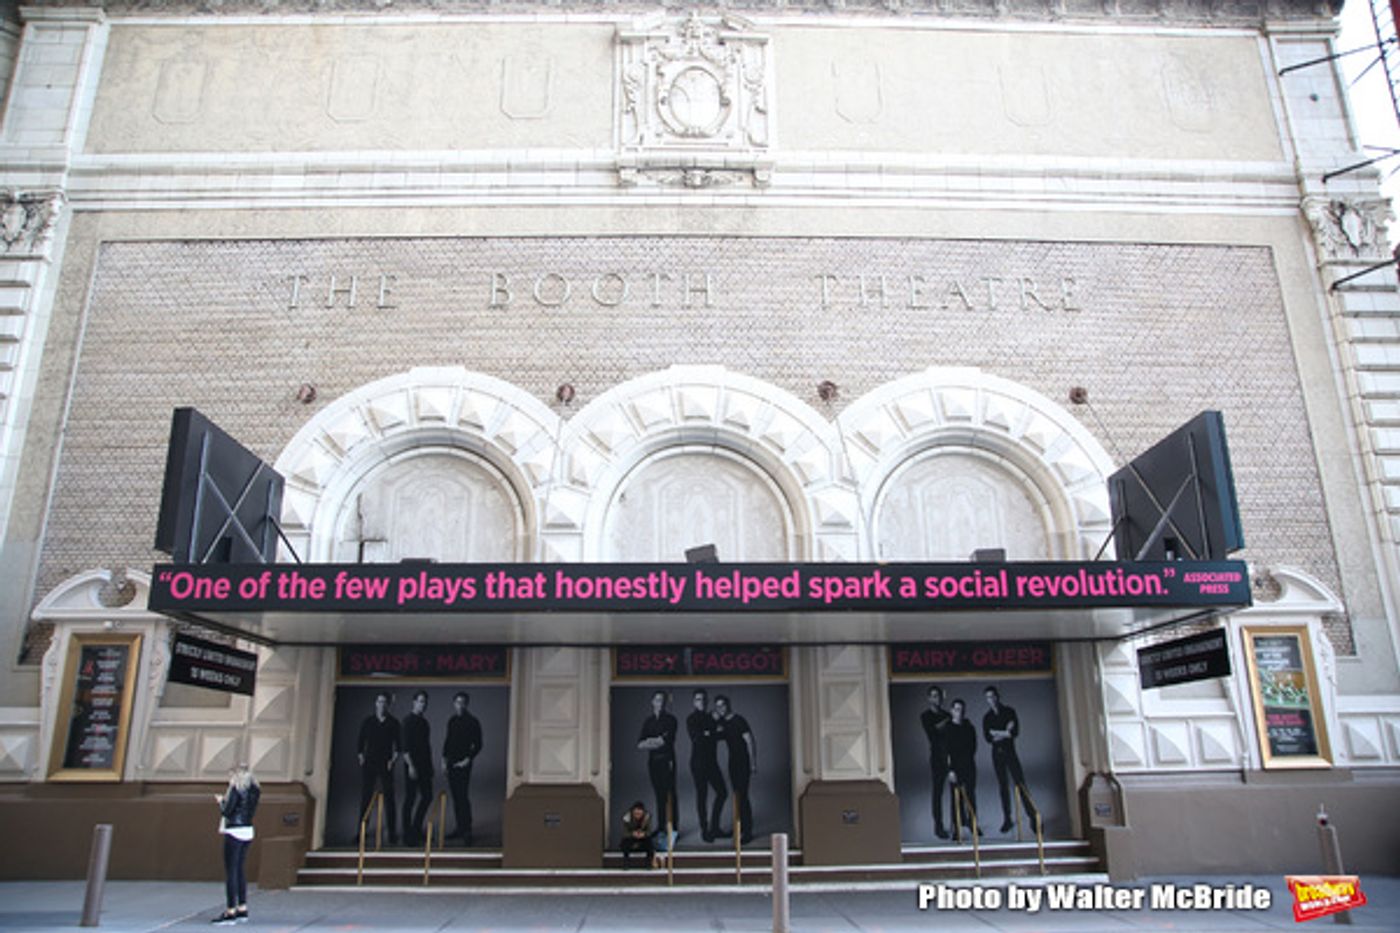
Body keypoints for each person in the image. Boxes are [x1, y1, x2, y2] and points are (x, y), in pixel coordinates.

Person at [983, 685, 1038, 833]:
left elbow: (1014, 733)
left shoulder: (1009, 712)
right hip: (997, 755)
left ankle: (1033, 817)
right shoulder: (987, 717)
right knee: (1003, 787)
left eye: (993, 696)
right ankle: (1007, 819)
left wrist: (998, 733)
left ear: (998, 696)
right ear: (986, 700)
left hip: (1010, 752)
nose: (991, 700)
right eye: (988, 697)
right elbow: (989, 739)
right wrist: (1005, 732)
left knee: (1020, 784)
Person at [212, 763, 260, 925]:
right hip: (248, 830)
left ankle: (230, 910)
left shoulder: (235, 789)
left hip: (234, 831)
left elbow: (227, 811)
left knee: (231, 871)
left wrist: (221, 801)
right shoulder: (255, 791)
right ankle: (242, 908)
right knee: (240, 870)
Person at [357, 691, 401, 844]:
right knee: (366, 797)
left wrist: (393, 760)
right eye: (379, 701)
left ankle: (392, 833)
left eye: (384, 702)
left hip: (386, 764)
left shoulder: (393, 723)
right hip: (370, 763)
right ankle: (360, 832)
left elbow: (399, 746)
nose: (382, 705)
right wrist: (361, 757)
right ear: (376, 703)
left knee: (389, 798)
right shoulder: (368, 721)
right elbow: (360, 742)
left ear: (388, 705)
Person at [713, 694, 757, 844]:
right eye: (717, 706)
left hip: (743, 762)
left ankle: (748, 832)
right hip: (732, 763)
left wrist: (753, 763)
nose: (720, 708)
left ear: (728, 705)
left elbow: (750, 741)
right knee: (737, 796)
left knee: (743, 796)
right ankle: (741, 827)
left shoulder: (739, 720)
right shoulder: (723, 723)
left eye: (723, 705)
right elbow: (715, 736)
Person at [441, 691, 482, 845]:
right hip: (451, 763)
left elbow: (478, 744)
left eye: (463, 702)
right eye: (457, 702)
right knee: (456, 797)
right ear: (454, 704)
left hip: (464, 764)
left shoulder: (473, 721)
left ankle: (467, 830)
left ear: (467, 704)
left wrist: (468, 759)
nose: (460, 705)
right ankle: (459, 827)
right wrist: (443, 761)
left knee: (463, 797)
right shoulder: (451, 721)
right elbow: (447, 741)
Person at [636, 689, 679, 835]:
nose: (660, 703)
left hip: (667, 761)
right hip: (653, 762)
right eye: (658, 700)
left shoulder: (671, 720)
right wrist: (655, 740)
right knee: (659, 795)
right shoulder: (648, 722)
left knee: (670, 794)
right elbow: (640, 744)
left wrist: (651, 741)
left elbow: (664, 742)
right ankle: (661, 827)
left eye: (663, 700)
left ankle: (673, 828)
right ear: (652, 702)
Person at [687, 688, 726, 842]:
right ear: (694, 702)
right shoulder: (691, 719)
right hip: (698, 763)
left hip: (711, 762)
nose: (701, 702)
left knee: (722, 792)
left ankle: (715, 828)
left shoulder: (711, 718)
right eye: (698, 699)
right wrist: (712, 733)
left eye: (703, 699)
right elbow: (697, 738)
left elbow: (724, 733)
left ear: (707, 701)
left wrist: (709, 733)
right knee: (702, 795)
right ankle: (705, 829)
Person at [400, 690, 434, 846]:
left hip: (425, 765)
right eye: (420, 701)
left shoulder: (425, 722)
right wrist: (411, 766)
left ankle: (416, 828)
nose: (423, 704)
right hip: (412, 765)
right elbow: (404, 747)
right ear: (414, 702)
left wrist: (430, 766)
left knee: (427, 796)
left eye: (425, 702)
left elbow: (426, 747)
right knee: (410, 799)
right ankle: (407, 834)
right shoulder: (407, 721)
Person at [946, 698, 982, 840]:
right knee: (956, 799)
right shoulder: (948, 729)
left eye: (961, 709)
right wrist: (950, 770)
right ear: (952, 711)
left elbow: (973, 746)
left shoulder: (969, 728)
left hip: (969, 766)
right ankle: (957, 828)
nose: (959, 712)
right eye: (956, 709)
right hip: (955, 768)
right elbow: (946, 752)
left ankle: (973, 823)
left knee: (971, 796)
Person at [919, 684, 952, 839]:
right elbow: (932, 733)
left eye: (938, 695)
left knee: (957, 791)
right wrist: (947, 721)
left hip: (951, 756)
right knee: (938, 792)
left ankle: (958, 823)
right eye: (933, 696)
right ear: (929, 698)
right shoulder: (926, 716)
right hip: (937, 758)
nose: (936, 699)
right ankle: (938, 826)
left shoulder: (947, 714)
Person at [619, 800, 656, 870]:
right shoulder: (627, 818)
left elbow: (649, 831)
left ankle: (648, 864)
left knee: (650, 843)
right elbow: (624, 832)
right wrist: (632, 834)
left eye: (639, 812)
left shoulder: (647, 817)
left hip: (643, 838)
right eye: (636, 812)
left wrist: (644, 834)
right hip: (631, 838)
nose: (637, 814)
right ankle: (626, 863)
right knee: (625, 843)